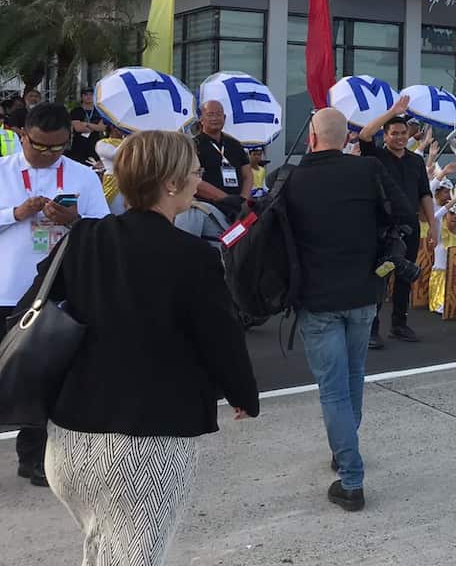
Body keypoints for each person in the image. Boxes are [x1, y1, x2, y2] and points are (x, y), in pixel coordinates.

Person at [20, 130, 259, 559]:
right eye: (194, 172)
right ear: (169, 183)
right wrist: (242, 394)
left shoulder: (82, 239)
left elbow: (33, 306)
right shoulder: (193, 255)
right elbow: (220, 337)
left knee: (100, 547)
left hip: (70, 440)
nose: (197, 179)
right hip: (145, 445)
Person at [283, 107, 411, 511]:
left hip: (317, 299)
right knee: (353, 377)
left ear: (312, 138)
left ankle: (351, 479)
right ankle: (344, 450)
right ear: (345, 139)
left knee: (334, 389)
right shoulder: (368, 171)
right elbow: (405, 215)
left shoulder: (290, 179)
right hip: (364, 295)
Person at [0, 102, 111, 487]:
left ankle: (33, 460)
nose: (47, 154)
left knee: (42, 378)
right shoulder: (3, 172)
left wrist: (75, 220)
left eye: (58, 147)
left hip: (52, 291)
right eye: (39, 146)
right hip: (6, 287)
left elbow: (103, 229)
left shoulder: (83, 176)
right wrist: (15, 213)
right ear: (23, 135)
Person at [358, 95, 433, 348]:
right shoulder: (375, 156)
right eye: (394, 133)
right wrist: (392, 111)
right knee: (380, 276)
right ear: (386, 135)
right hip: (382, 227)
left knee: (405, 276)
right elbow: (365, 134)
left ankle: (399, 324)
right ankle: (371, 328)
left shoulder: (416, 161)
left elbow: (425, 193)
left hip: (410, 226)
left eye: (403, 133)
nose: (400, 137)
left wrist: (433, 226)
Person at [193, 99, 251, 215]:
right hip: (207, 207)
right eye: (210, 114)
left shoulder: (235, 144)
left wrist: (243, 200)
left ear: (224, 117)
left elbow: (247, 175)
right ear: (201, 119)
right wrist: (227, 199)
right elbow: (193, 180)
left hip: (237, 208)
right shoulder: (193, 145)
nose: (215, 118)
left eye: (219, 114)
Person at [68, 87, 107, 165]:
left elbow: (102, 128)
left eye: (91, 95)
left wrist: (86, 124)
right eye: (86, 95)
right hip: (79, 144)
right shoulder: (76, 111)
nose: (89, 97)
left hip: (95, 144)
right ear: (82, 97)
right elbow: (78, 128)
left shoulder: (99, 111)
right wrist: (95, 127)